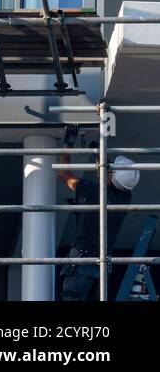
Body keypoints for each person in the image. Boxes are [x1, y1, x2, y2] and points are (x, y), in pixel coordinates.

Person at [57, 125, 140, 300]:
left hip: (82, 259)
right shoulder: (125, 197)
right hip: (102, 264)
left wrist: (67, 147)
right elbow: (110, 173)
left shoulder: (96, 192)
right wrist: (96, 149)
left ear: (112, 177)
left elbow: (63, 174)